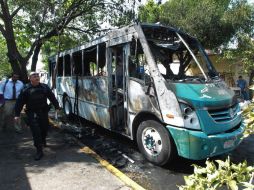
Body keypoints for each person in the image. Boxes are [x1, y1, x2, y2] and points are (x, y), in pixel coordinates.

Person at [14, 71, 60, 161]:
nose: (36, 77)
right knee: (36, 132)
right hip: (32, 113)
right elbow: (19, 102)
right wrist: (17, 114)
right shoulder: (26, 89)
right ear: (29, 78)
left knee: (44, 129)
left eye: (37, 75)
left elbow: (52, 96)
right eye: (34, 76)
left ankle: (43, 140)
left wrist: (57, 106)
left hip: (43, 112)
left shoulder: (44, 87)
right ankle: (39, 151)